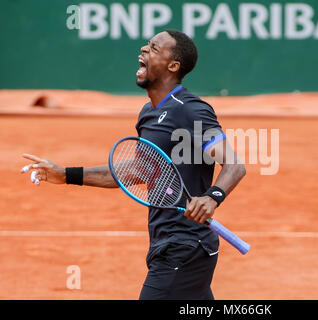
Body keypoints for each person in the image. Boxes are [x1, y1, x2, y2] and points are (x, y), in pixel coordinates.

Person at [21, 29, 246, 300]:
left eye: (153, 48)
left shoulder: (190, 109)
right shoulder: (148, 113)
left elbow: (234, 164)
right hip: (168, 242)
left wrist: (212, 197)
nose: (143, 49)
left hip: (184, 247)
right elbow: (138, 170)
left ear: (173, 65)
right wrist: (65, 174)